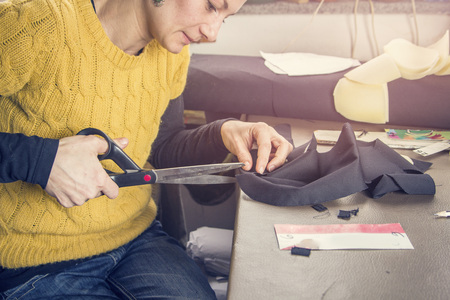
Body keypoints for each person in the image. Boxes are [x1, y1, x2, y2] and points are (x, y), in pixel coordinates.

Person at [0, 0, 293, 298]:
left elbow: (162, 146)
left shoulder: (172, 50)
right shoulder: (32, 23)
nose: (213, 32)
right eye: (211, 5)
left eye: (225, 18)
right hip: (31, 263)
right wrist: (39, 160)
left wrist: (223, 134)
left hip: (135, 240)